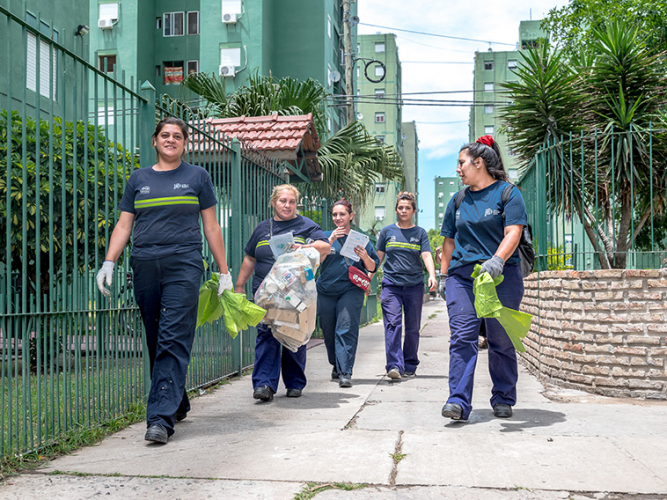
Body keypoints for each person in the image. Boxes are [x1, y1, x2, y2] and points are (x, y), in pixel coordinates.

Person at [96, 117, 233, 444]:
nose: (171, 140)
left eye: (177, 136)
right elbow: (124, 225)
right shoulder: (138, 179)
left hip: (184, 264)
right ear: (155, 141)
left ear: (185, 143)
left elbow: (212, 227)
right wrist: (109, 261)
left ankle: (159, 418)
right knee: (156, 336)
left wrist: (224, 270)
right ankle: (177, 400)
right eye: (165, 135)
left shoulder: (198, 177)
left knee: (173, 337)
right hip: (144, 264)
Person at [439, 135, 527, 421]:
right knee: (463, 336)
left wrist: (497, 261)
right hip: (463, 278)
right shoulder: (458, 200)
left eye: (462, 163)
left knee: (500, 339)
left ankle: (503, 396)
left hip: (501, 277)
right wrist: (443, 276)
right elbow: (448, 242)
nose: (458, 169)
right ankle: (457, 401)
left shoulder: (508, 193)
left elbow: (513, 231)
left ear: (479, 163)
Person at [234, 184, 330, 402]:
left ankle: (295, 382)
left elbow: (324, 247)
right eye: (282, 201)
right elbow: (250, 257)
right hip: (266, 292)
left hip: (296, 293)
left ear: (297, 204)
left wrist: (304, 247)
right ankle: (264, 384)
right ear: (273, 202)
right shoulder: (261, 228)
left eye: (292, 202)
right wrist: (240, 285)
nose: (287, 205)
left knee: (294, 333)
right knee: (266, 334)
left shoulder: (306, 225)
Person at [317, 200, 380, 388]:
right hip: (326, 291)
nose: (338, 218)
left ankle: (346, 372)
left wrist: (365, 257)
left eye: (342, 214)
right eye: (335, 215)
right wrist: (330, 242)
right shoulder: (324, 236)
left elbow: (372, 266)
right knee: (328, 331)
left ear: (350, 216)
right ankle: (336, 364)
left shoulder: (362, 240)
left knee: (345, 328)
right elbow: (315, 262)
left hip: (350, 290)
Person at [376, 192, 437, 380]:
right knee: (393, 324)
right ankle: (394, 365)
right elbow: (378, 258)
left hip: (414, 286)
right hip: (391, 286)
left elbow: (426, 255)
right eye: (400, 207)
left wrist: (432, 275)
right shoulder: (387, 232)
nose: (403, 210)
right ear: (396, 210)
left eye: (407, 208)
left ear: (414, 211)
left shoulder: (419, 233)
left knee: (412, 327)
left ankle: (409, 364)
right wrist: (368, 278)